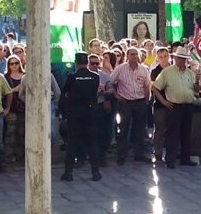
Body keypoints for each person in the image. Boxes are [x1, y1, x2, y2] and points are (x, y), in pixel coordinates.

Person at [152, 47, 198, 167]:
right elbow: (155, 87)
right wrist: (163, 101)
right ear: (175, 58)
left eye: (183, 58)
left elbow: (196, 89)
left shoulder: (190, 73)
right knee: (173, 134)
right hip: (174, 106)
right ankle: (170, 159)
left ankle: (185, 158)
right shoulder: (167, 72)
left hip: (188, 106)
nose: (181, 60)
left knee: (186, 133)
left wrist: (198, 83)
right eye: (179, 58)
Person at [60, 52, 102, 182]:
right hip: (90, 111)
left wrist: (64, 111)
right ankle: (95, 172)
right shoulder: (95, 77)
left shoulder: (72, 77)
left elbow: (65, 93)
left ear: (76, 62)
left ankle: (68, 172)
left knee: (72, 142)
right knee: (92, 142)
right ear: (87, 62)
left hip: (76, 111)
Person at [111, 47, 151, 166]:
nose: (134, 56)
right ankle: (121, 155)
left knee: (139, 129)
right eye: (132, 54)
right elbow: (110, 82)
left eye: (136, 54)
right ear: (127, 56)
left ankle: (139, 154)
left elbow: (147, 85)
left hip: (140, 102)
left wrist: (146, 100)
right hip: (125, 102)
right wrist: (116, 96)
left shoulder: (144, 69)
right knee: (124, 129)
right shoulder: (120, 69)